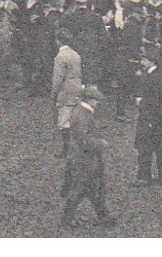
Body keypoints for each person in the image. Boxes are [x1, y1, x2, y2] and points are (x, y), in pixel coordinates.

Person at [59, 85, 113, 229]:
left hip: (82, 158)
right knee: (84, 189)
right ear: (89, 100)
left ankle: (104, 216)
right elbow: (84, 140)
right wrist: (101, 143)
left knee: (91, 189)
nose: (98, 104)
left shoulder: (80, 111)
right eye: (96, 101)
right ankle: (68, 219)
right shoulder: (83, 115)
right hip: (84, 159)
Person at [133, 53, 162, 185]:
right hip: (160, 119)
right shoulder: (156, 75)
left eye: (144, 60)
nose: (141, 62)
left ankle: (144, 177)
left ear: (151, 61)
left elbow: (157, 99)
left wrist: (141, 102)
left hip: (152, 117)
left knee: (146, 147)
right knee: (161, 147)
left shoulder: (155, 77)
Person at [51, 32, 83, 159]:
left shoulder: (60, 56)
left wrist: (54, 93)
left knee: (64, 120)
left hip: (65, 90)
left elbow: (58, 78)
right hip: (76, 87)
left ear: (58, 41)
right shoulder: (75, 54)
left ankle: (66, 149)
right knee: (73, 117)